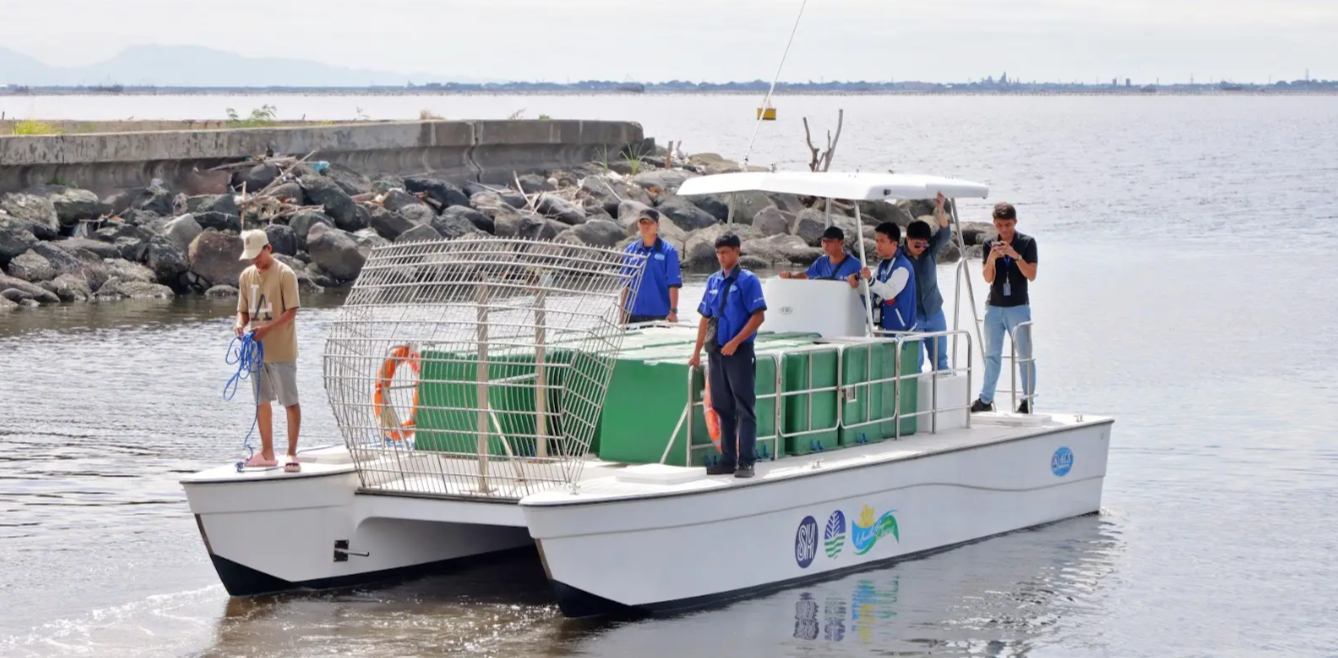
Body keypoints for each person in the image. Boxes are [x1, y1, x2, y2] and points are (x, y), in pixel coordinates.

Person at [688, 234, 767, 479]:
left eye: (726, 253)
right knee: (723, 407)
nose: (722, 258)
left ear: (737, 252)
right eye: (718, 253)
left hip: (739, 351)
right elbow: (705, 318)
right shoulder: (713, 281)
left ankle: (747, 461)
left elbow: (758, 316)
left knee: (745, 407)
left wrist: (736, 341)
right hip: (717, 352)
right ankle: (728, 459)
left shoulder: (748, 280)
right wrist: (696, 352)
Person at [234, 229, 303, 471]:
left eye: (258, 255)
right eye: (251, 256)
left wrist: (267, 330)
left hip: (282, 350)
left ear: (269, 248)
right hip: (255, 350)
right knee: (261, 401)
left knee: (289, 401)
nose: (255, 260)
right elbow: (243, 309)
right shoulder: (246, 276)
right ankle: (267, 453)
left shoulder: (286, 274)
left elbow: (292, 311)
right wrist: (240, 325)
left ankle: (291, 454)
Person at [971, 202, 1039, 414]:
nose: (1004, 229)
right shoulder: (989, 244)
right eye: (999, 225)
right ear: (994, 224)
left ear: (1015, 223)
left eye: (1008, 225)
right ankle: (985, 399)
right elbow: (987, 277)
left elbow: (1031, 275)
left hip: (1018, 306)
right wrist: (992, 259)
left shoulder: (1027, 243)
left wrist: (1014, 255)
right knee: (992, 354)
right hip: (994, 306)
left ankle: (1027, 401)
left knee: (1025, 356)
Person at [904, 193, 953, 371]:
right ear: (907, 239)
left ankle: (944, 397)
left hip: (934, 311)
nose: (921, 249)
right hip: (913, 317)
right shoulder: (898, 258)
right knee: (915, 364)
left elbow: (945, 233)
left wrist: (940, 210)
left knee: (941, 361)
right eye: (917, 245)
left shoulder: (930, 250)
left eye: (924, 245)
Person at [621, 208, 682, 324]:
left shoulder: (669, 251)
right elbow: (625, 285)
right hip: (633, 315)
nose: (645, 226)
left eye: (649, 222)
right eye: (642, 222)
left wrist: (673, 312)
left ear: (657, 225)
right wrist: (621, 314)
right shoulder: (630, 251)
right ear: (638, 225)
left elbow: (673, 284)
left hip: (660, 315)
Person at [859, 222, 918, 333]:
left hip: (901, 334)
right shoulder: (883, 265)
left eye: (882, 241)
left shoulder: (903, 267)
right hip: (884, 330)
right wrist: (858, 282)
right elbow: (872, 288)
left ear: (894, 244)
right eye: (876, 241)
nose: (878, 245)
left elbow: (889, 292)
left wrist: (870, 280)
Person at [779, 226, 862, 288]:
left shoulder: (855, 264)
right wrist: (791, 276)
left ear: (841, 243)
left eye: (830, 241)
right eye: (824, 241)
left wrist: (856, 281)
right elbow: (805, 275)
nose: (825, 245)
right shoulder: (821, 262)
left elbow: (864, 287)